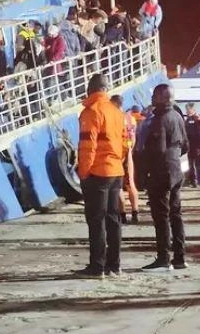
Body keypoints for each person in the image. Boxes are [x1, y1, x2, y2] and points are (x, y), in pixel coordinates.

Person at [75, 75, 128, 278]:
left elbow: (88, 147)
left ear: (90, 88)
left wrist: (84, 173)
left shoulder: (91, 113)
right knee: (114, 219)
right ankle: (114, 265)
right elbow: (125, 143)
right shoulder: (117, 112)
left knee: (96, 220)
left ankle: (97, 266)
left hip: (98, 173)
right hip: (116, 171)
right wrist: (117, 161)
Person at [142, 84, 189, 272]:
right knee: (176, 214)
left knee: (161, 216)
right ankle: (180, 257)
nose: (152, 99)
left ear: (162, 98)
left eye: (154, 95)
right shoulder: (178, 116)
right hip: (177, 169)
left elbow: (157, 150)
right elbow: (185, 144)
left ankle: (163, 258)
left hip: (162, 171)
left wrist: (147, 172)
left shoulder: (160, 120)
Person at [111, 95, 139, 225]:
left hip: (117, 154)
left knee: (118, 186)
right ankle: (135, 212)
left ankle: (122, 215)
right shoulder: (131, 119)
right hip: (128, 152)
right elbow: (134, 138)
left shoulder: (115, 118)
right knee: (131, 183)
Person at [184, 103, 200, 188]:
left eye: (188, 109)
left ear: (192, 109)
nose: (187, 111)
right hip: (190, 145)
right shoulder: (188, 119)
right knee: (191, 164)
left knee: (199, 164)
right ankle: (193, 181)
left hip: (197, 145)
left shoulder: (197, 119)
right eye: (186, 109)